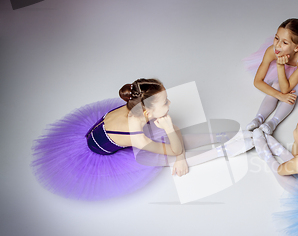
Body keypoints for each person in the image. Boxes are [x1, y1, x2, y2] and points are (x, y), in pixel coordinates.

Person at [32, 78, 253, 200]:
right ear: (147, 112)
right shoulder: (137, 137)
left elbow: (175, 132)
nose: (170, 104)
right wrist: (179, 155)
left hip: (112, 132)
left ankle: (221, 136)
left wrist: (171, 133)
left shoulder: (136, 110)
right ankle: (226, 150)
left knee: (176, 139)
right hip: (103, 152)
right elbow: (175, 149)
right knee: (169, 158)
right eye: (165, 103)